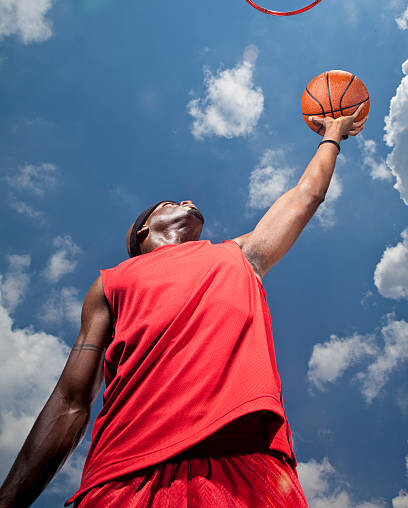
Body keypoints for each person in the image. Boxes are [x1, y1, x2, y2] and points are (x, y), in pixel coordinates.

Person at [0, 106, 367, 507]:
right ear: (142, 228)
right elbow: (71, 401)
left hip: (243, 464)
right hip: (124, 476)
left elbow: (306, 195)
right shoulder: (111, 283)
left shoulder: (240, 255)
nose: (189, 199)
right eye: (173, 200)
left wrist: (332, 134)